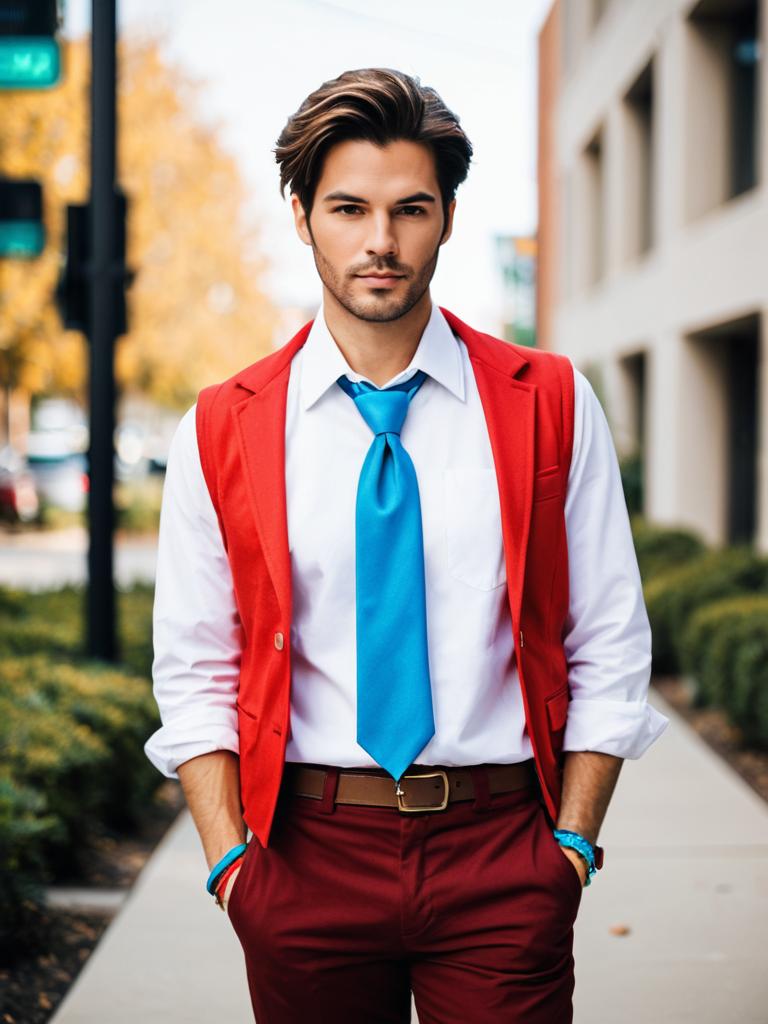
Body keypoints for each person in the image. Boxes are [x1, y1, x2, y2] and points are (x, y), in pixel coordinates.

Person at [144, 66, 669, 1023]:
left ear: (449, 219)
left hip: (503, 851)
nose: (380, 241)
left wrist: (571, 845)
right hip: (304, 857)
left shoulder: (549, 402)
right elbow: (195, 665)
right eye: (348, 208)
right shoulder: (222, 426)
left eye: (410, 210)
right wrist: (231, 866)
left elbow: (609, 635)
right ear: (302, 217)